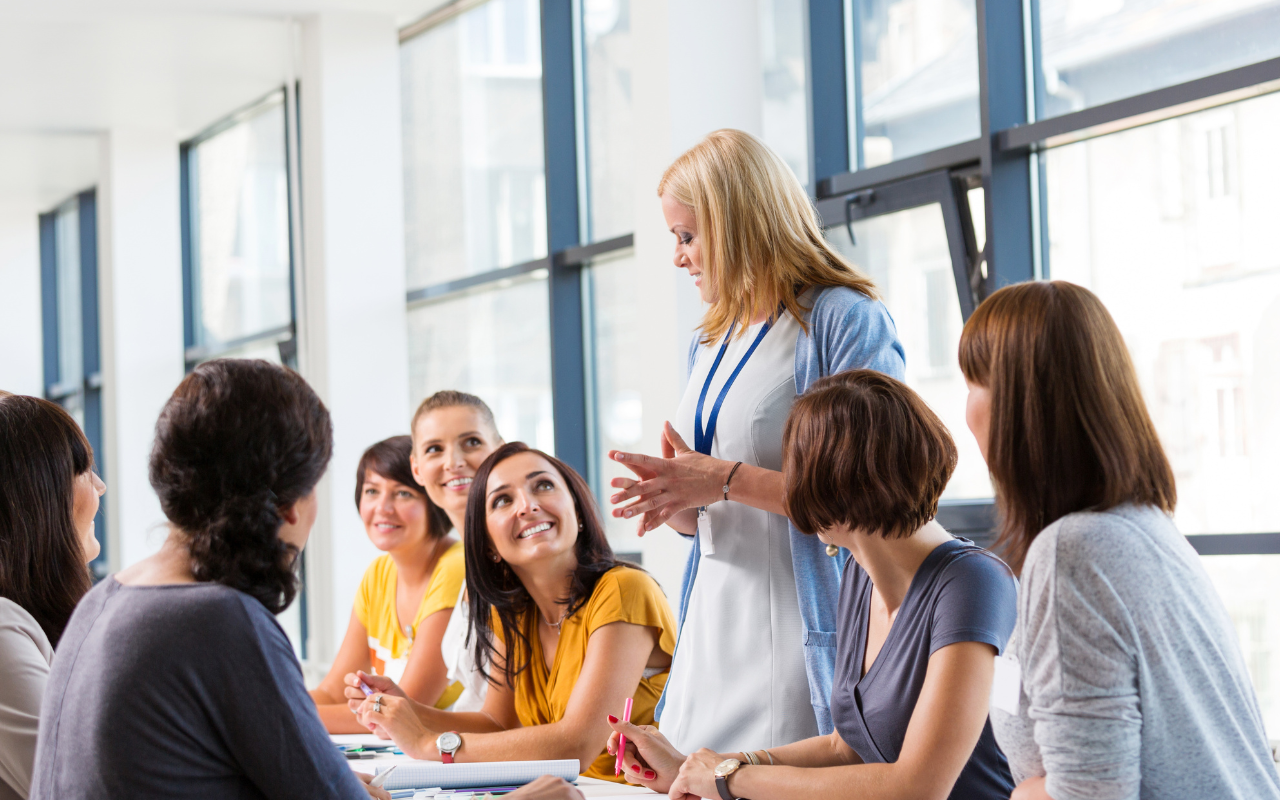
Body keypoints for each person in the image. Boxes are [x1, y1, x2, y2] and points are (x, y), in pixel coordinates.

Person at [607, 128, 906, 752]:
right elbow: (718, 510)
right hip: (714, 619)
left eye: (688, 237)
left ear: (738, 224)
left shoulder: (842, 320)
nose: (679, 257)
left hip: (798, 625)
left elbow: (876, 495)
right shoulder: (708, 339)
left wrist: (721, 480)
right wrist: (681, 506)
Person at [605, 369, 1018, 800]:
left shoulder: (972, 582)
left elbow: (918, 786)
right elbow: (845, 748)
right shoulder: (861, 574)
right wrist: (694, 768)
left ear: (828, 488)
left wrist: (728, 778)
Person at [958, 281, 1280, 800]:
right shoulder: (1144, 527)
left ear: (1022, 407)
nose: (965, 409)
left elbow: (1090, 796)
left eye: (974, 382)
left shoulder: (1074, 552)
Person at [345, 442, 676, 784]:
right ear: (489, 546)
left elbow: (575, 745)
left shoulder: (624, 590)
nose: (528, 506)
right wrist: (409, 711)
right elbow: (498, 723)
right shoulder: (516, 613)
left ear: (576, 511)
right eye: (503, 500)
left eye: (543, 486)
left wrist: (431, 745)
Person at [310, 436, 464, 731]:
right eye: (371, 491)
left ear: (433, 500)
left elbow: (404, 710)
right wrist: (266, 705)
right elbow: (330, 694)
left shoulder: (455, 568)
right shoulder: (379, 573)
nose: (383, 507)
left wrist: (281, 716)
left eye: (403, 494)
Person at [0, 393, 105, 800]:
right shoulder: (4, 631)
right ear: (40, 494)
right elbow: (77, 787)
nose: (100, 485)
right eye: (83, 470)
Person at [406, 390, 506, 712]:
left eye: (472, 442)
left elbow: (507, 720)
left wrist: (408, 718)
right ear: (417, 468)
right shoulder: (472, 561)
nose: (454, 462)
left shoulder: (516, 560)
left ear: (500, 450)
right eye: (435, 449)